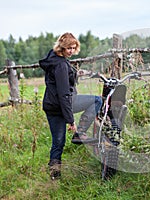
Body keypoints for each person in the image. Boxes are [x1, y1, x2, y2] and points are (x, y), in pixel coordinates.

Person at [39, 32, 102, 180]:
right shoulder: (61, 65)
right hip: (62, 104)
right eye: (69, 48)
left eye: (74, 48)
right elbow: (64, 94)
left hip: (51, 105)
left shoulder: (54, 58)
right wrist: (71, 120)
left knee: (58, 142)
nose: (71, 51)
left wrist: (81, 72)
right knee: (97, 100)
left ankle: (55, 177)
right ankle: (80, 133)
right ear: (62, 47)